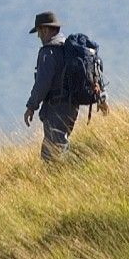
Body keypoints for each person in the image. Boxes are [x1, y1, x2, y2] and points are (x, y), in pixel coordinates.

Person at [23, 11, 79, 162]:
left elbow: (42, 83)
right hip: (72, 106)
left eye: (39, 32)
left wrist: (31, 106)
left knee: (52, 154)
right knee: (60, 144)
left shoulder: (48, 52)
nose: (39, 37)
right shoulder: (70, 48)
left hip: (56, 107)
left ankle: (62, 180)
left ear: (45, 29)